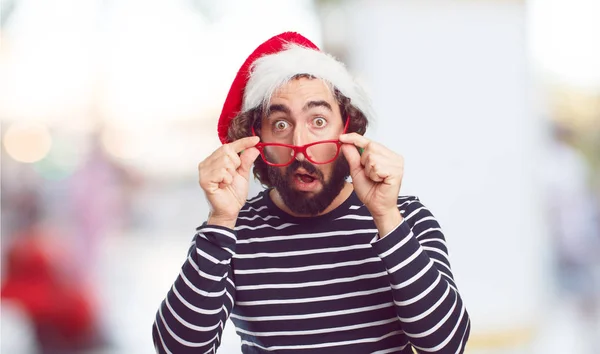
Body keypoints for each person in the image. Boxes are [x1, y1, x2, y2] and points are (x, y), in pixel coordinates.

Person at [152, 32, 470, 353]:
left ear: (346, 130)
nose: (299, 147)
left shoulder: (406, 219)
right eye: (280, 124)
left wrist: (387, 218)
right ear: (255, 139)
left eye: (318, 120)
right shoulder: (229, 233)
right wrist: (219, 221)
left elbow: (446, 344)